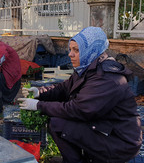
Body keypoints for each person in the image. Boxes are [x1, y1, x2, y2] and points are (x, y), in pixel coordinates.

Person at [18, 27, 142, 162]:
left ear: (91, 50)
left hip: (119, 141)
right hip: (104, 127)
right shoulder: (88, 67)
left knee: (58, 123)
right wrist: (40, 93)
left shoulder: (107, 77)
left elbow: (79, 109)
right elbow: (64, 87)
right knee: (59, 121)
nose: (70, 54)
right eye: (70, 49)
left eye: (76, 50)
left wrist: (39, 105)